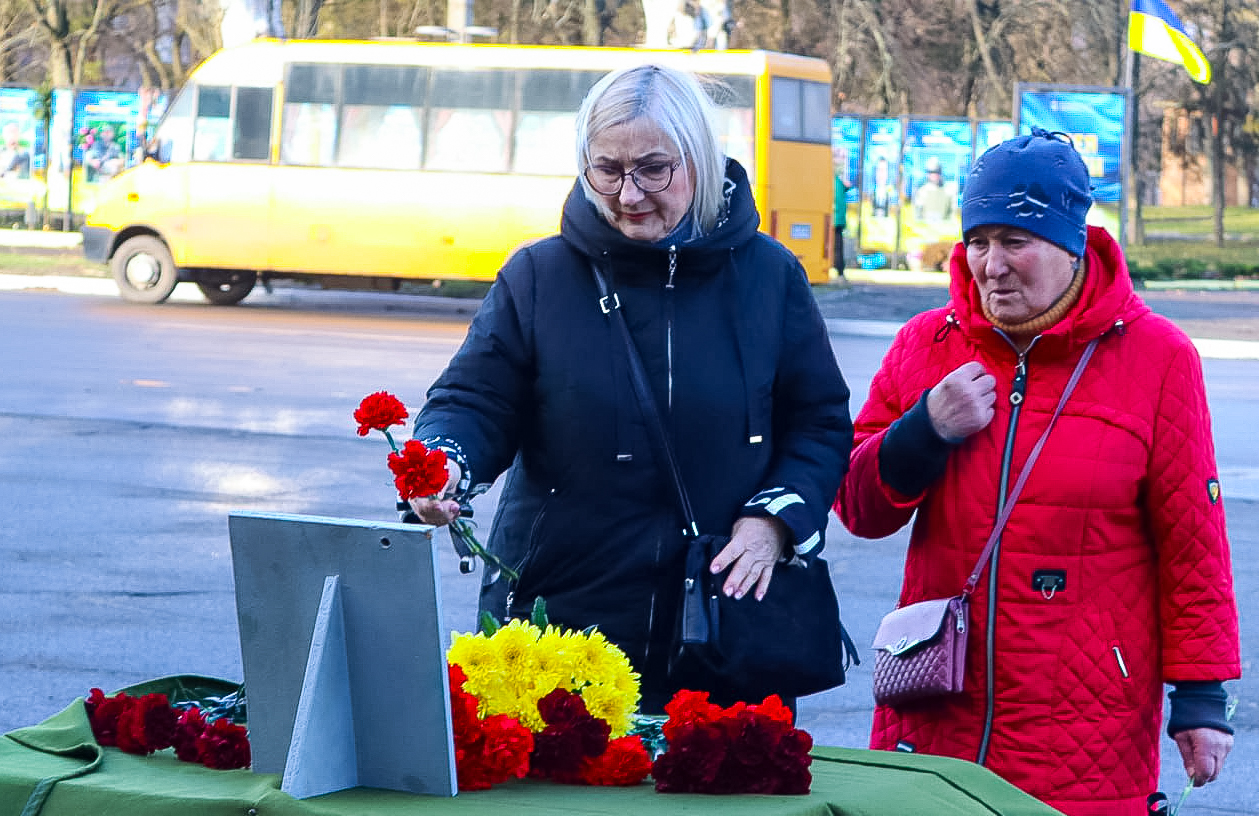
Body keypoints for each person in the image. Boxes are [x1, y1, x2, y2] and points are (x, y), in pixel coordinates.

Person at [408, 63, 854, 713]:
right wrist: (445, 462)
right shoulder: (539, 275)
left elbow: (817, 421)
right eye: (607, 169)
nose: (628, 192)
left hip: (723, 631)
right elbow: (475, 399)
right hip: (557, 625)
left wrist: (773, 521)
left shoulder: (769, 276)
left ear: (697, 159)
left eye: (652, 167)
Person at [833, 129, 1239, 816]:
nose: (991, 265)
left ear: (1070, 242)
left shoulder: (1158, 357)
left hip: (1084, 722)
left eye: (1015, 240)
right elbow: (859, 509)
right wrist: (922, 430)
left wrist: (1200, 697)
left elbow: (1191, 541)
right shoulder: (923, 344)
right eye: (977, 241)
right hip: (936, 712)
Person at [911, 155, 955, 222]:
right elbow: (917, 214)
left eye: (937, 172)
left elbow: (952, 214)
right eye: (931, 172)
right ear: (927, 174)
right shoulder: (922, 191)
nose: (934, 175)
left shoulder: (948, 191)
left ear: (940, 173)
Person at [832, 147, 851, 272]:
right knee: (838, 246)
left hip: (836, 219)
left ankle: (839, 269)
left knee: (837, 246)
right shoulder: (836, 181)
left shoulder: (836, 180)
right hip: (836, 219)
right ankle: (839, 269)